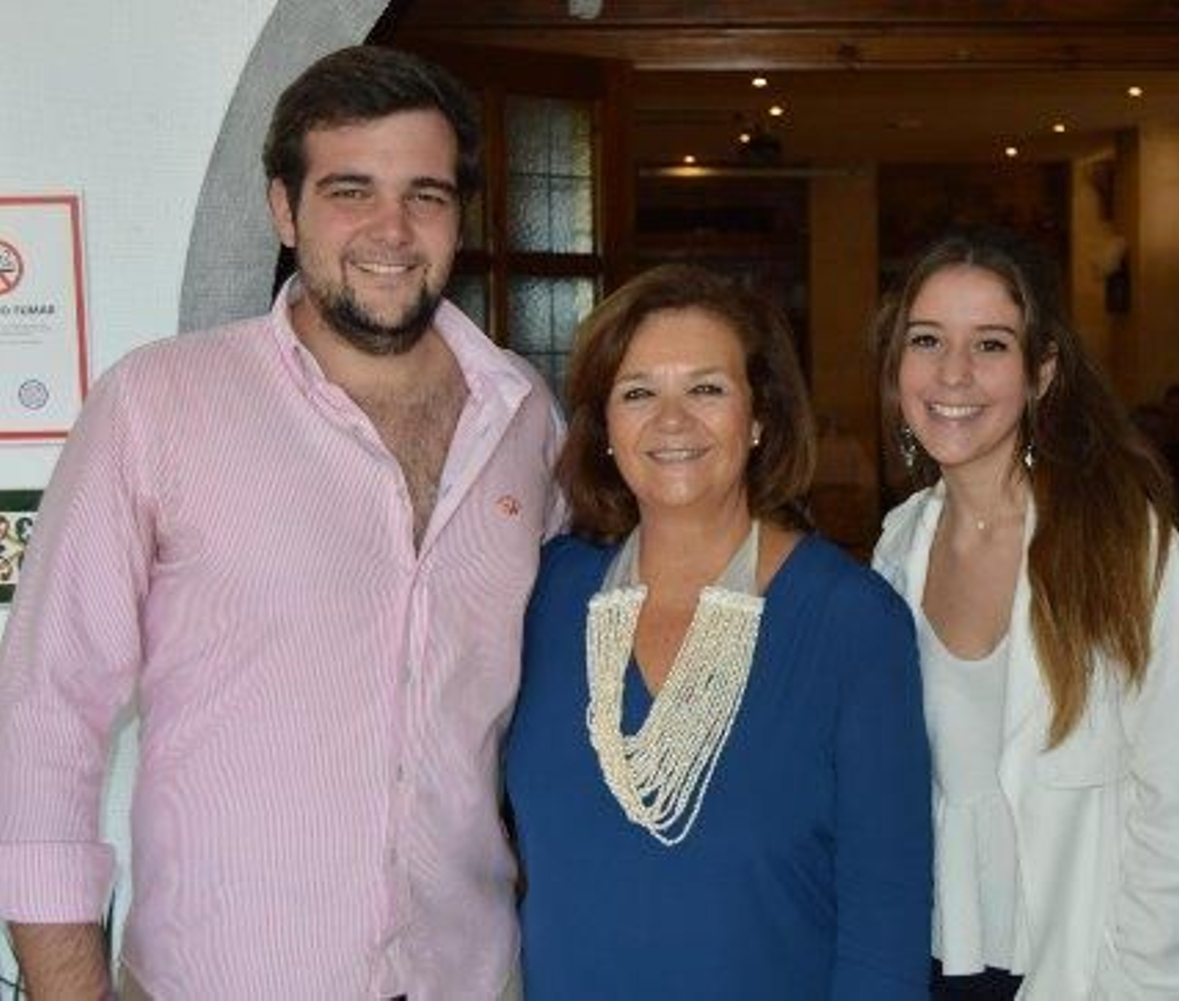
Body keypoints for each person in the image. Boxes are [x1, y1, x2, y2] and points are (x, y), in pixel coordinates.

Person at [0, 46, 564, 998]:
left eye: (425, 195)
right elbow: (48, 716)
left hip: (468, 976)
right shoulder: (159, 403)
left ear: (459, 216)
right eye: (351, 190)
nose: (392, 229)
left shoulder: (526, 419)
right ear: (282, 207)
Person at [504, 264, 931, 1000]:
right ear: (604, 425)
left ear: (759, 415)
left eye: (706, 388)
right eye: (639, 392)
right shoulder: (545, 594)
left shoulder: (852, 621)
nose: (672, 421)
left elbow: (885, 924)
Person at [871, 228, 1179, 1000]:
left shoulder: (1122, 542)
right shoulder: (897, 544)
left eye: (990, 344)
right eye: (927, 340)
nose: (953, 372)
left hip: (1091, 968)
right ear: (897, 365)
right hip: (938, 960)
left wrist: (1133, 986)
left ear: (1041, 371)